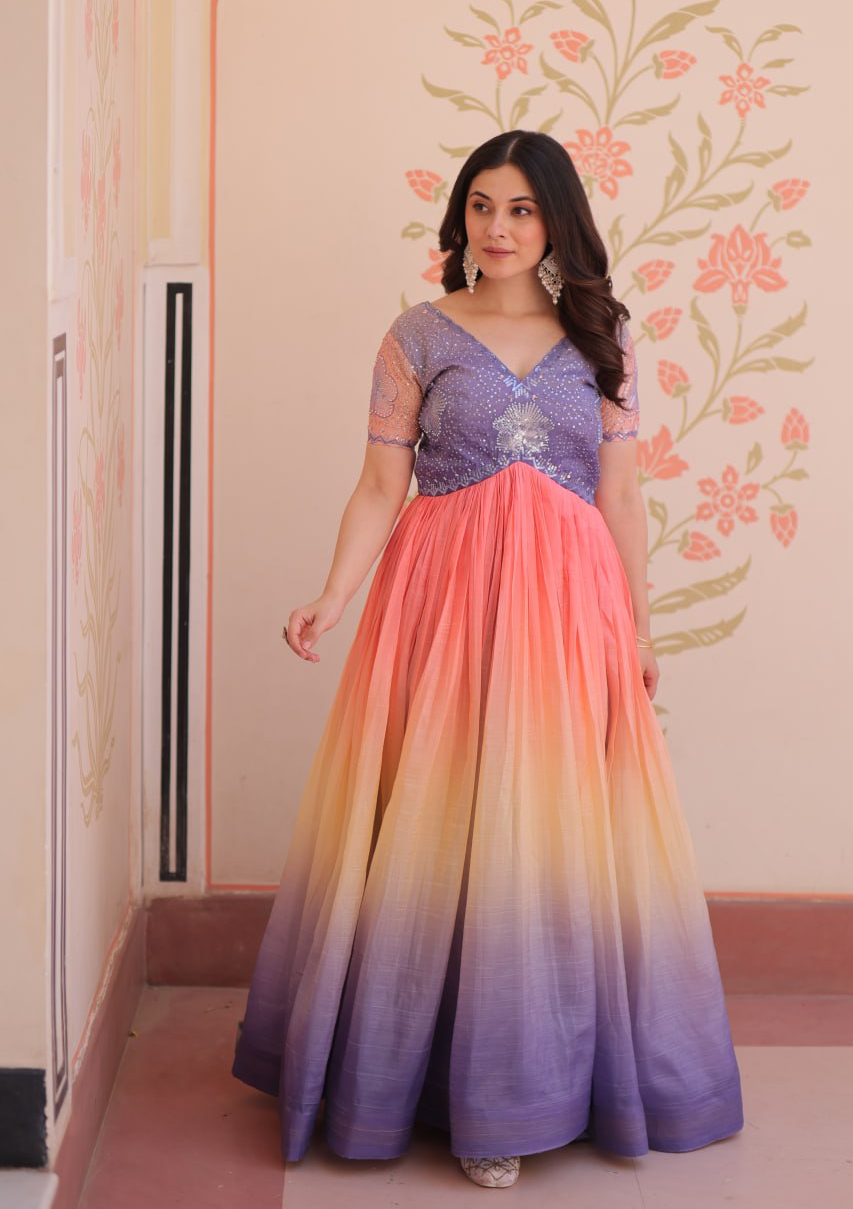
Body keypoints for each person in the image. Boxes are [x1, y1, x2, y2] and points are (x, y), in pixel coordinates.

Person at [231, 129, 744, 1190]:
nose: (497, 227)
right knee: (437, 815)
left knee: (542, 825)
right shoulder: (416, 335)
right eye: (480, 205)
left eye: (519, 208)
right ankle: (422, 1080)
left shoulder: (601, 337)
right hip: (442, 602)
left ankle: (523, 1086)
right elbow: (381, 485)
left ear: (554, 220)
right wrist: (332, 595)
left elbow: (621, 495)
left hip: (565, 608)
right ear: (459, 215)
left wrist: (638, 630)